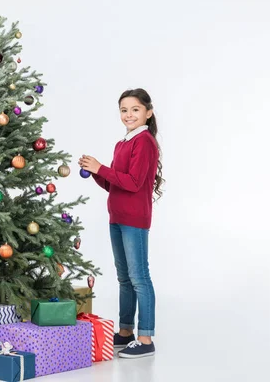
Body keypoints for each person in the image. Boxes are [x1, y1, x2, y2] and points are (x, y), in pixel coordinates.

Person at [79, 88, 164, 359]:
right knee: (124, 278)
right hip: (116, 217)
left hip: (134, 219)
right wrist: (96, 171)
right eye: (124, 110)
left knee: (139, 277)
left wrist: (102, 167)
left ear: (148, 113)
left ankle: (146, 337)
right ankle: (126, 332)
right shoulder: (123, 143)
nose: (129, 114)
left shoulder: (145, 142)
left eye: (135, 109)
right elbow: (114, 183)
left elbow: (134, 182)